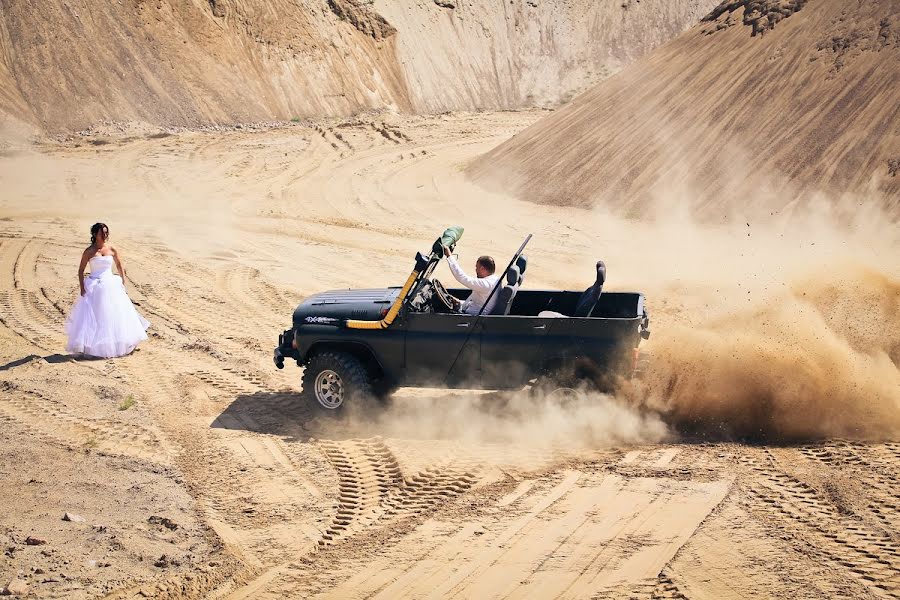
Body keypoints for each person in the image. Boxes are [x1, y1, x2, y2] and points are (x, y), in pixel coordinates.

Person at [65, 223, 150, 358]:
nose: (105, 235)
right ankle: (94, 347)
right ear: (95, 235)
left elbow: (119, 264)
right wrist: (82, 287)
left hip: (111, 284)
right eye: (101, 233)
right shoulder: (89, 251)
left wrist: (122, 279)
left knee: (115, 314)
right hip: (95, 286)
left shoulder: (111, 249)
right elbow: (81, 270)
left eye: (106, 233)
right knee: (96, 316)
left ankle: (117, 342)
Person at [442, 246, 500, 315]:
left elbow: (462, 277)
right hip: (472, 313)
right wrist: (459, 302)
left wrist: (449, 255)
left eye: (477, 267)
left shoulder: (486, 284)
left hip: (473, 319)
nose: (476, 270)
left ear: (482, 269)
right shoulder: (495, 280)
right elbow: (477, 303)